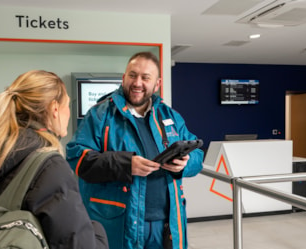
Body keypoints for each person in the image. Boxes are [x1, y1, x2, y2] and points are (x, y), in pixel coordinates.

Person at [0, 70, 109, 249]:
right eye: (68, 104)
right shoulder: (49, 166)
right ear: (55, 109)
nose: (69, 111)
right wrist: (96, 231)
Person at [66, 52, 204, 249]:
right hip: (119, 223)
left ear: (157, 84)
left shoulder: (171, 116)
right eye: (132, 75)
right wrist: (126, 164)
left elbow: (197, 156)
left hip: (166, 224)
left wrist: (185, 163)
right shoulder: (99, 115)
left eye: (145, 78)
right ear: (124, 78)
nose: (137, 83)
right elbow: (77, 158)